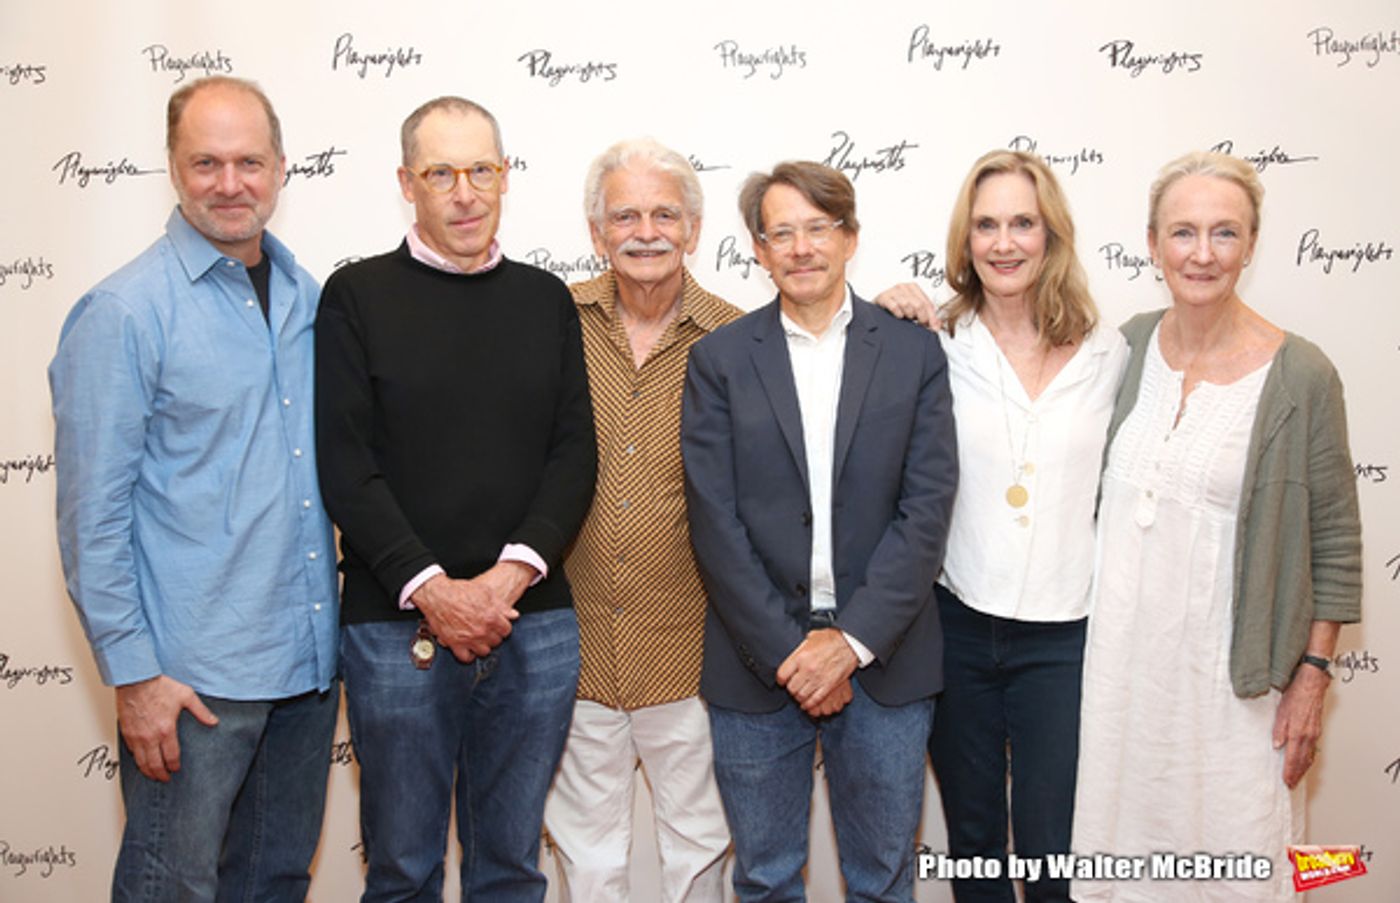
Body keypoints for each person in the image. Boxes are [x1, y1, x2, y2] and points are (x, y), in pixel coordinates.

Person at [49, 76, 339, 901]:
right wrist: (135, 676)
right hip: (190, 682)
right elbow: (91, 518)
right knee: (169, 888)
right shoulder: (124, 312)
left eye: (249, 161)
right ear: (173, 170)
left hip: (306, 670)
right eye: (205, 162)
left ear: (282, 168)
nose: (230, 183)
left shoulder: (307, 298)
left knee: (275, 881)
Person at [314, 96, 597, 901]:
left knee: (510, 869)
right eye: (442, 173)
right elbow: (345, 463)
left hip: (531, 624)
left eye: (482, 170)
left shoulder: (545, 298)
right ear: (407, 182)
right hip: (396, 628)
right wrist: (436, 592)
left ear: (505, 177)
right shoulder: (355, 296)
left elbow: (574, 451)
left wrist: (505, 582)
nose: (465, 192)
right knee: (403, 870)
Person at [1071, 150, 1362, 901]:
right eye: (1184, 232)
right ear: (1151, 242)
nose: (1202, 254)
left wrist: (1312, 679)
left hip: (1238, 694)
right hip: (1123, 687)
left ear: (1252, 244)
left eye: (1224, 233)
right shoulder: (1124, 346)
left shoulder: (1302, 375)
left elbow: (1334, 542)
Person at [681, 161, 958, 902]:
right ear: (759, 249)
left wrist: (851, 643)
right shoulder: (719, 360)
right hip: (759, 663)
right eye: (782, 232)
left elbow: (927, 508)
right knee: (766, 878)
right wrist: (790, 652)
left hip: (884, 660)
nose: (801, 247)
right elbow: (715, 519)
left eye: (818, 228)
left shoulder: (913, 351)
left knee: (882, 879)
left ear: (850, 238)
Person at [877, 150, 1127, 903]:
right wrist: (885, 305)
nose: (1004, 242)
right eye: (986, 225)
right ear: (966, 238)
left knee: (1054, 851)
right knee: (977, 844)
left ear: (1051, 233)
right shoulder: (933, 342)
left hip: (1065, 636)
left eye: (1022, 222)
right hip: (957, 624)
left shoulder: (1111, 352)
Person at [543, 138, 739, 902]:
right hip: (573, 646)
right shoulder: (550, 320)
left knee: (700, 852)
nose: (645, 231)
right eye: (625, 215)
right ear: (597, 232)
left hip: (692, 650)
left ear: (693, 228)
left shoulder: (738, 338)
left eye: (665, 213)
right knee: (588, 860)